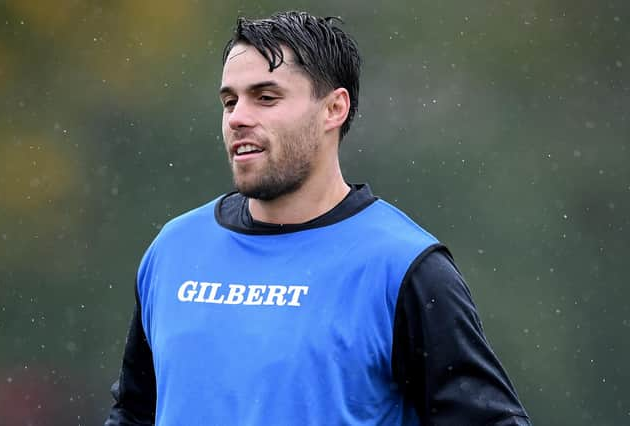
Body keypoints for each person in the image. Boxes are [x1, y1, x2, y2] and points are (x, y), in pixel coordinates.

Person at [105, 11, 531, 426]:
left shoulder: (402, 267)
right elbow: (133, 413)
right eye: (229, 101)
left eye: (266, 97)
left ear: (333, 109)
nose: (237, 118)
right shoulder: (174, 249)